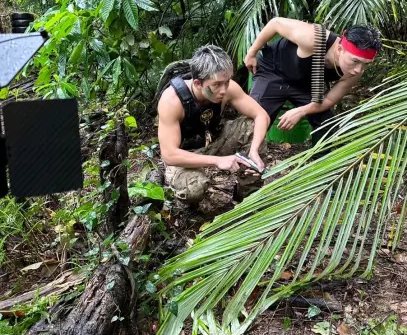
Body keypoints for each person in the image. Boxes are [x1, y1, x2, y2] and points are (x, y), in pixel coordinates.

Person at [158, 45, 270, 204]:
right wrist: (218, 161)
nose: (224, 90)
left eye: (227, 82)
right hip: (186, 154)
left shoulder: (228, 89)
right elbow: (169, 155)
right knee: (193, 189)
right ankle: (192, 209)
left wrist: (253, 151)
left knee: (250, 128)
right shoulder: (172, 101)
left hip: (214, 140)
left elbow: (261, 115)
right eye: (217, 84)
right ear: (197, 83)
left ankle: (246, 197)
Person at [244, 18, 381, 143]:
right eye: (355, 61)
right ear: (340, 49)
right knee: (255, 118)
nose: (359, 69)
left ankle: (318, 163)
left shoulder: (354, 72)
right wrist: (251, 53)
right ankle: (244, 159)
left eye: (366, 64)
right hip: (273, 71)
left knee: (326, 123)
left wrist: (301, 111)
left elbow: (328, 101)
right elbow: (275, 24)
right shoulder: (312, 37)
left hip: (303, 82)